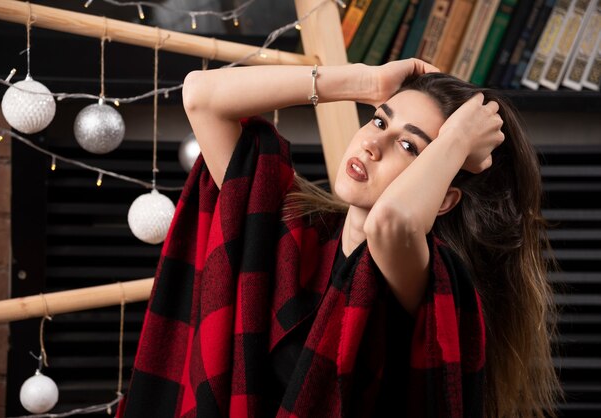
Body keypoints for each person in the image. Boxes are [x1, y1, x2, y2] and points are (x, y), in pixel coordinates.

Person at [119, 59, 561, 418]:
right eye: (378, 122)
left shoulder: (425, 275)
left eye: (409, 147)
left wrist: (460, 138)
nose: (373, 145)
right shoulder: (293, 233)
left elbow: (391, 223)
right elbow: (201, 97)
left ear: (444, 198)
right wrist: (368, 81)